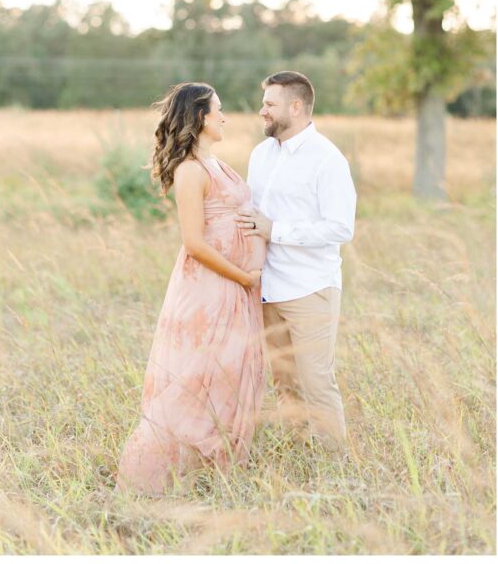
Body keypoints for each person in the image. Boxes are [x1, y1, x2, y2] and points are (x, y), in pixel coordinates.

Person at [118, 83, 266, 495]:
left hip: (238, 287)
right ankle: (160, 478)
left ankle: (218, 468)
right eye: (218, 110)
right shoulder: (190, 171)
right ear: (200, 116)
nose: (224, 117)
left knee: (230, 375)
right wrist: (243, 276)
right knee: (196, 375)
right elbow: (194, 243)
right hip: (211, 289)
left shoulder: (219, 165)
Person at [234, 71, 356, 447]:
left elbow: (340, 228)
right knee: (284, 382)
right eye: (264, 104)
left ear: (296, 106)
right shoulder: (261, 154)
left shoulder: (327, 160)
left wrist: (277, 230)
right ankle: (301, 454)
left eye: (270, 105)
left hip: (310, 288)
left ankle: (336, 465)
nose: (262, 111)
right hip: (267, 287)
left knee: (317, 381)